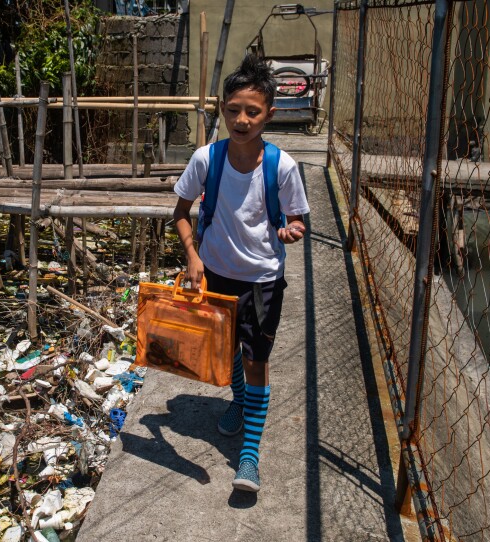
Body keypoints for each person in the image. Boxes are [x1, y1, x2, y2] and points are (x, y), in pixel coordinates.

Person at [172, 54, 310, 492]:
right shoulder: (206, 159)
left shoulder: (282, 167)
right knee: (227, 350)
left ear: (270, 112)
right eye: (233, 110)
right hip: (215, 274)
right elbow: (180, 212)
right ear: (222, 109)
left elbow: (300, 219)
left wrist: (292, 230)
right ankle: (237, 403)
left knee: (256, 360)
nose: (242, 120)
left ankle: (248, 457)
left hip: (263, 279)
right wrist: (193, 256)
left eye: (252, 111)